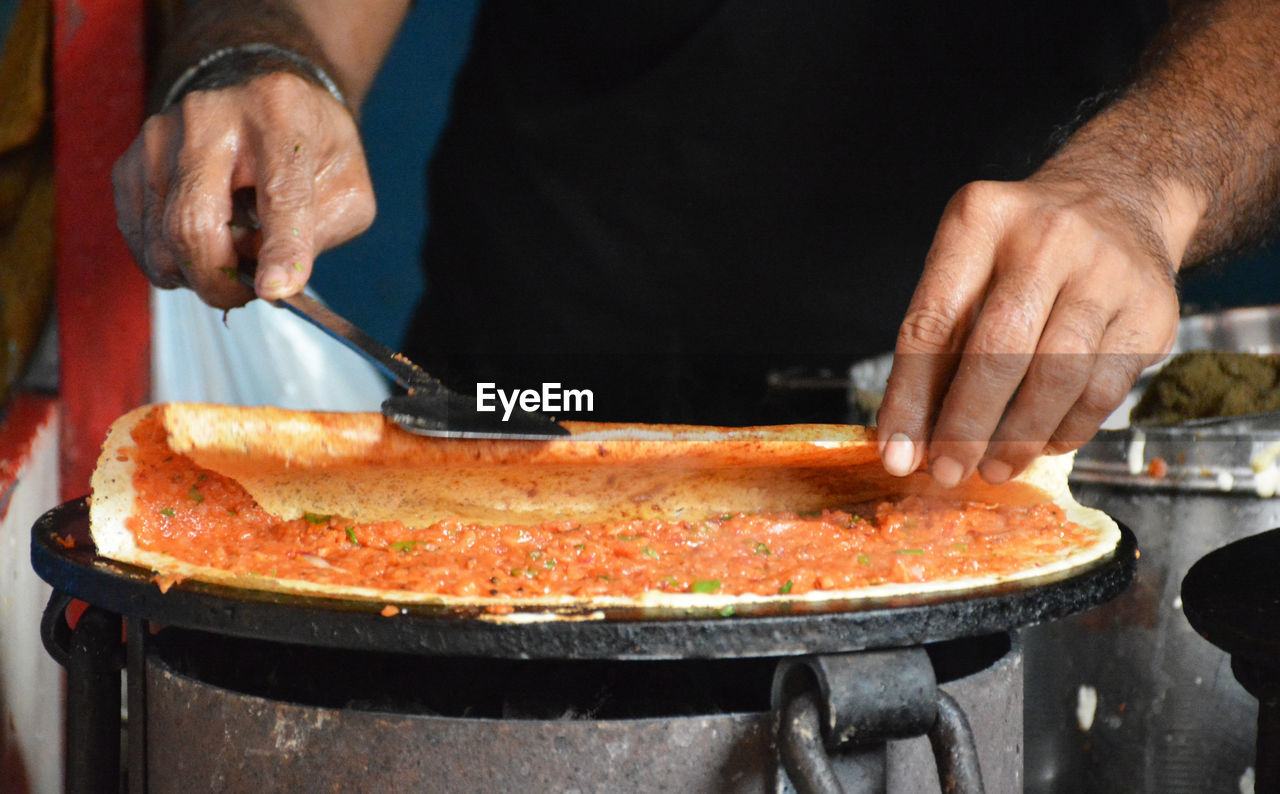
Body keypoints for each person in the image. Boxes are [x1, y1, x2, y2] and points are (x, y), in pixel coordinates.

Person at [114, 0, 1280, 488]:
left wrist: (1146, 181)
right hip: (529, 399)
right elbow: (284, 14)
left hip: (979, 440)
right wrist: (257, 66)